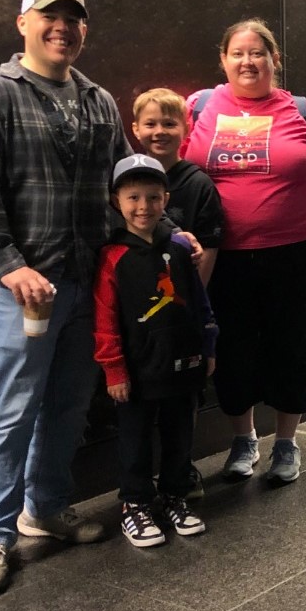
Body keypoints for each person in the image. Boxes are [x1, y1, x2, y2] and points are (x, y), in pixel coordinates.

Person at [0, 0, 123, 593]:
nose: (62, 28)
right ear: (23, 22)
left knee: (69, 403)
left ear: (84, 30)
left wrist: (166, 231)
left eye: (74, 19)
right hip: (17, 290)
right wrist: (8, 263)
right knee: (13, 408)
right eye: (50, 16)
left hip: (84, 282)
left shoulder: (99, 101)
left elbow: (121, 181)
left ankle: (44, 509)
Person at [181, 19, 306, 485]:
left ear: (274, 59)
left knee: (291, 347)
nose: (248, 61)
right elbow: (170, 170)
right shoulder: (197, 107)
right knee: (231, 347)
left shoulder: (304, 112)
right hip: (221, 257)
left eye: (257, 53)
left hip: (295, 254)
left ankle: (286, 442)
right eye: (237, 53)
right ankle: (243, 439)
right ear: (223, 60)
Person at [94, 155, 218, 547]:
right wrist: (114, 369)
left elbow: (199, 302)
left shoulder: (182, 247)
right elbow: (105, 318)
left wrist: (208, 347)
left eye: (152, 197)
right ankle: (135, 505)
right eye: (133, 197)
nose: (143, 206)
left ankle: (175, 495)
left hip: (184, 362)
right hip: (137, 370)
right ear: (116, 201)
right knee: (135, 440)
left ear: (166, 199)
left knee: (180, 434)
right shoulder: (112, 256)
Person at [130, 87, 224, 498]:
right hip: (137, 318)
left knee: (183, 396)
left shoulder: (198, 183)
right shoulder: (124, 179)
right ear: (135, 129)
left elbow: (209, 249)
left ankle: (180, 472)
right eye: (150, 123)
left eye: (169, 123)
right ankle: (136, 485)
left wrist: (188, 308)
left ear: (186, 128)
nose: (159, 131)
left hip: (182, 315)